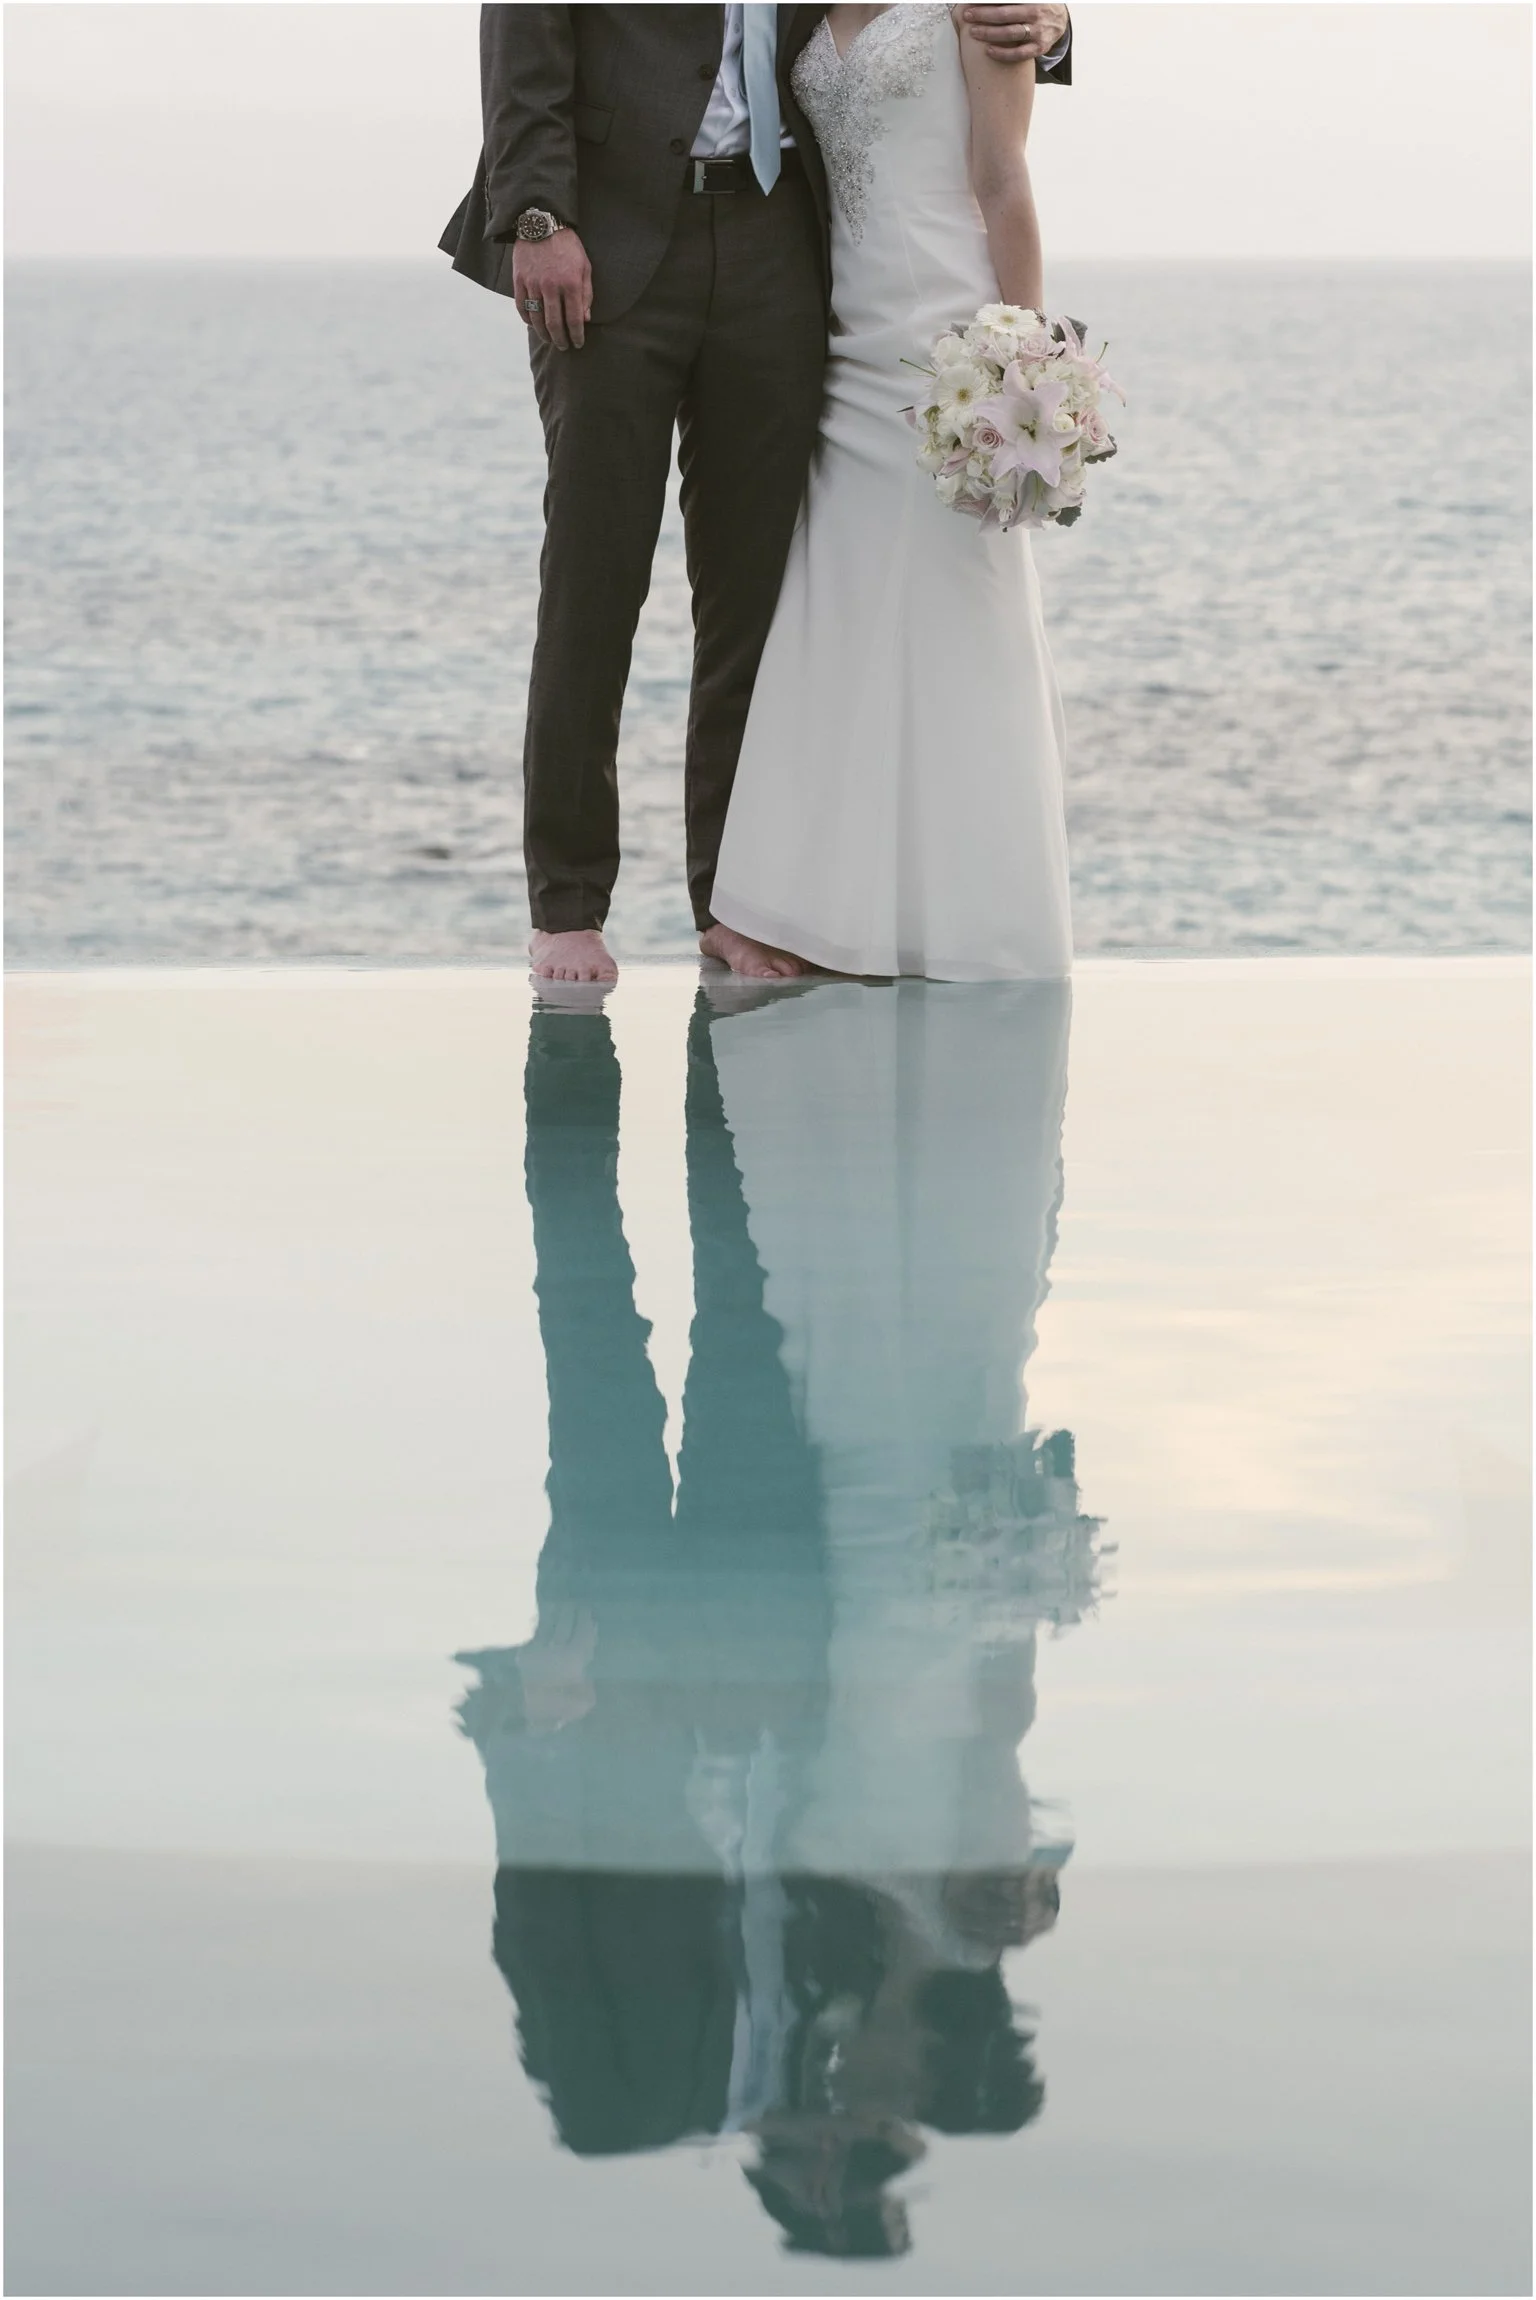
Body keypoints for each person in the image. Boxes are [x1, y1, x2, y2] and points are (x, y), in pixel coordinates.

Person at [441, 4, 1072, 984]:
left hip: (779, 250)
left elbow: (902, 34)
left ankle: (727, 901)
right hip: (606, 244)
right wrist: (538, 214)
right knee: (593, 582)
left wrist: (1054, 24)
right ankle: (567, 904)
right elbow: (524, 37)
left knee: (751, 600)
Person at [711, 3, 1074, 979]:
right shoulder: (803, 9)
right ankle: (822, 909)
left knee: (960, 613)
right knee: (839, 612)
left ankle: (973, 916)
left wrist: (1022, 363)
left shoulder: (979, 8)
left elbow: (1004, 181)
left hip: (944, 338)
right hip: (838, 337)